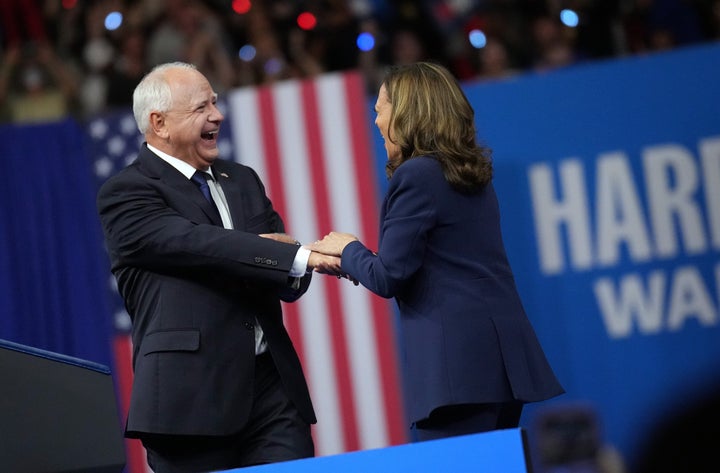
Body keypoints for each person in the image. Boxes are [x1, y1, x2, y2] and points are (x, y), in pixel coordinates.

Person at [96, 62, 341, 472]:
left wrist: (287, 260)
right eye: (200, 108)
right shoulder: (126, 192)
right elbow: (194, 244)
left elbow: (287, 280)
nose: (217, 115)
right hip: (189, 400)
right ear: (159, 123)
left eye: (214, 102)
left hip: (272, 390)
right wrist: (290, 254)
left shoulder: (241, 179)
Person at [309, 62, 565, 442]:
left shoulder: (417, 175)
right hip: (499, 366)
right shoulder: (468, 174)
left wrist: (348, 248)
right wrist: (351, 261)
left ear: (408, 112)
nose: (376, 122)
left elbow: (389, 275)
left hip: (458, 372)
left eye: (379, 109)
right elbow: (433, 263)